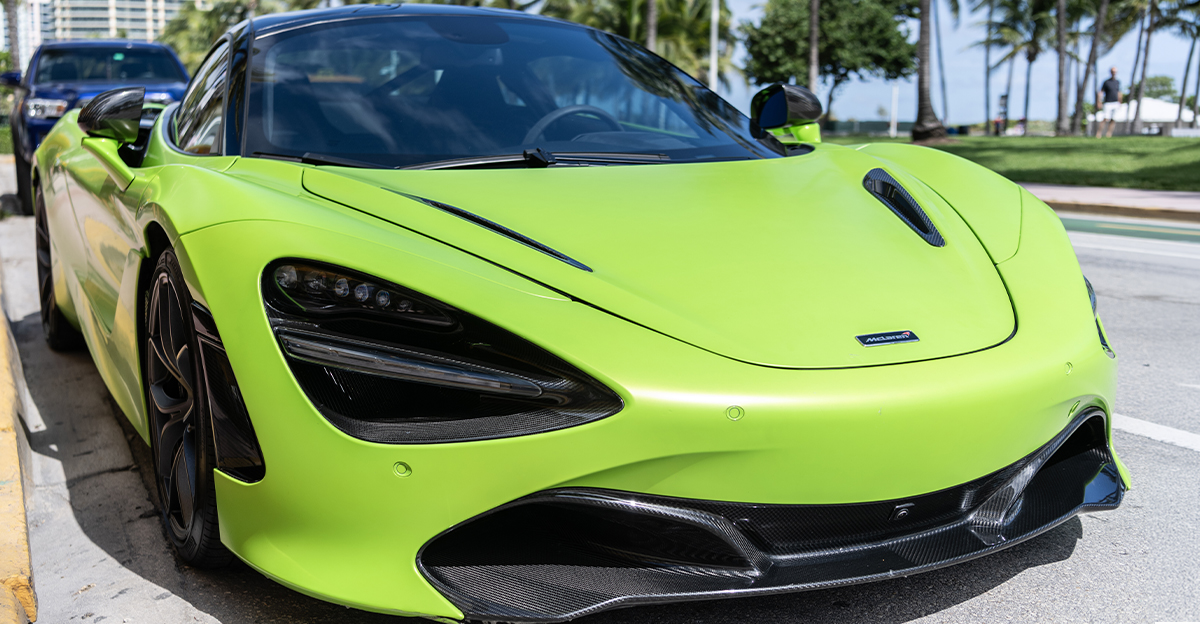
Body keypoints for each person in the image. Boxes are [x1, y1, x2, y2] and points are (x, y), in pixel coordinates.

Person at [1096, 67, 1122, 138]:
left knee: (1113, 119)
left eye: (1115, 72)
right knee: (1105, 118)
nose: (1114, 73)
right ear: (1110, 72)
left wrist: (1120, 102)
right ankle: (1099, 133)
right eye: (1113, 71)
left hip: (1115, 103)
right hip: (1108, 102)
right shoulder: (1106, 82)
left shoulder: (1117, 82)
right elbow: (1101, 92)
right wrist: (1099, 102)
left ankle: (1109, 134)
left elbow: (1119, 93)